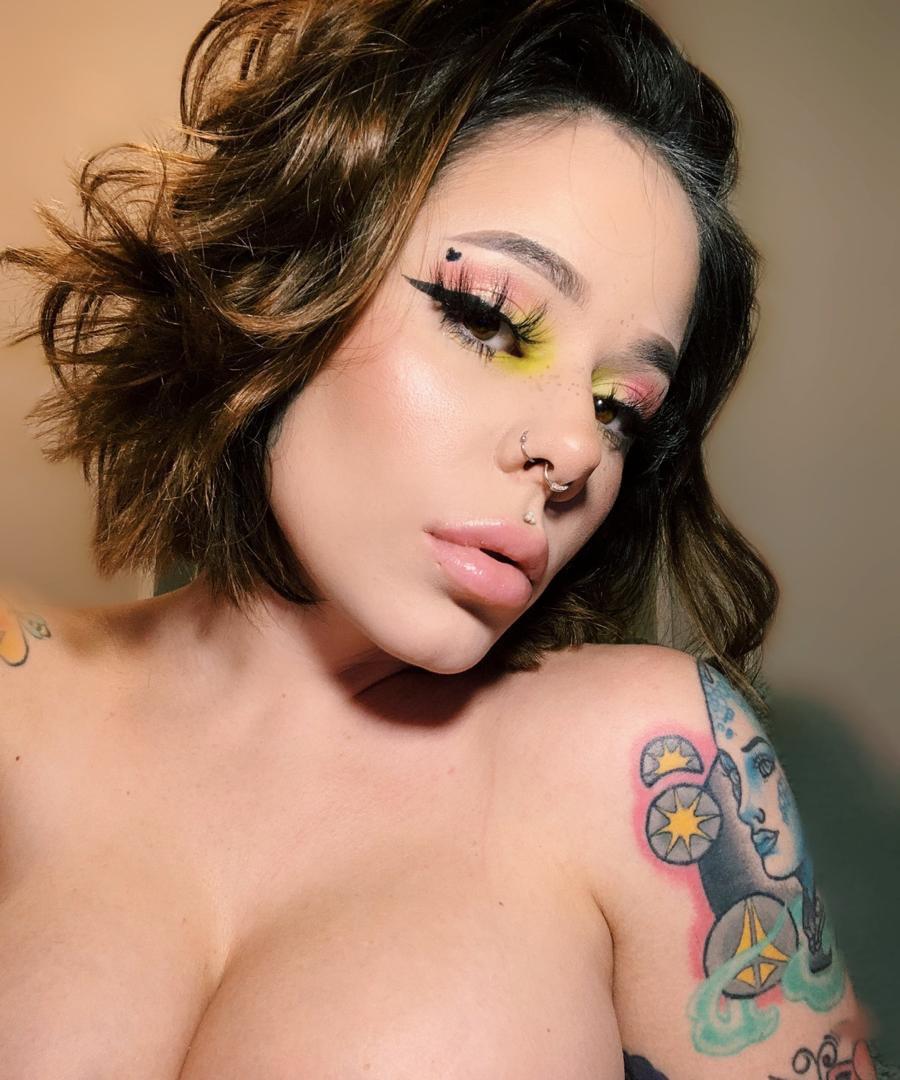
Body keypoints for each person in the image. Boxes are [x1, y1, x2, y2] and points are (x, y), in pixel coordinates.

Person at [0, 0, 874, 1077]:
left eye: (620, 407)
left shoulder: (650, 767)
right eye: (489, 319)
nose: (575, 450)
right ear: (289, 269)